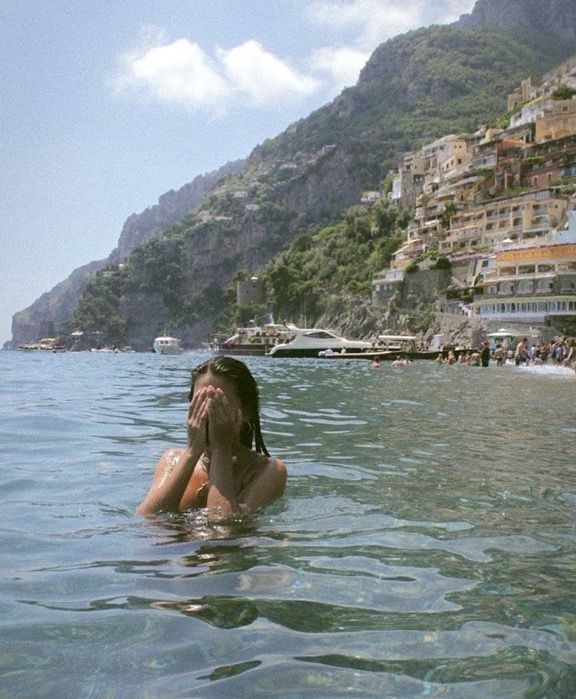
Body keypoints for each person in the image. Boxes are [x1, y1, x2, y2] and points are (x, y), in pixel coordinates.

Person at [136, 356, 287, 517]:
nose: (208, 413)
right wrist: (192, 451)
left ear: (247, 412)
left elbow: (222, 528)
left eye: (219, 404)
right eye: (200, 403)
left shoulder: (267, 470)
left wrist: (222, 449)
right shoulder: (172, 460)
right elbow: (148, 521)